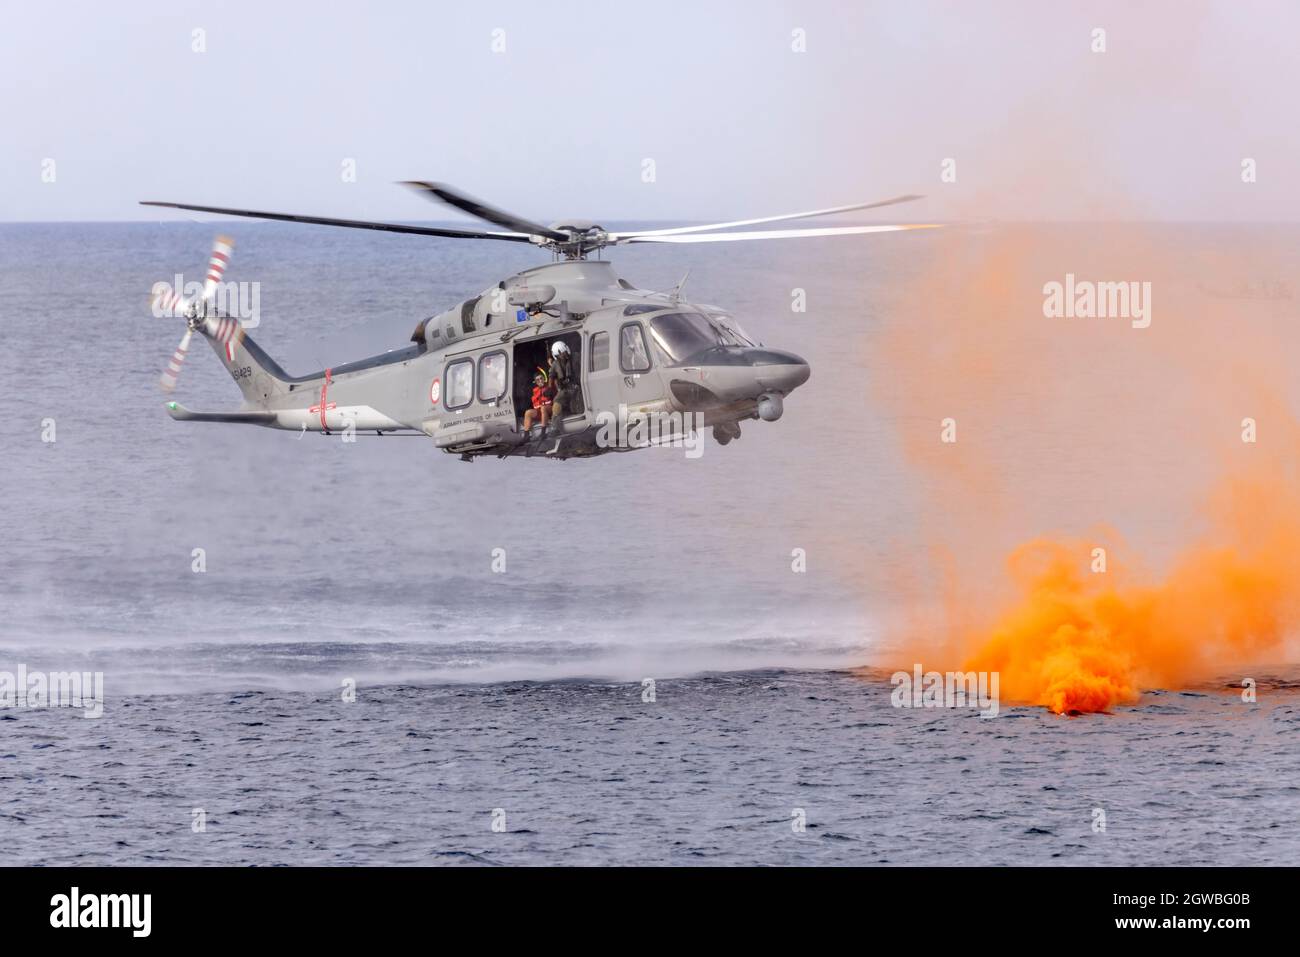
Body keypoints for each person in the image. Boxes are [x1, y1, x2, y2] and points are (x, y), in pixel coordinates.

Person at [547, 340, 577, 422]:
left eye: (564, 352)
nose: (565, 354)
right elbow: (551, 376)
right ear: (558, 354)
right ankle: (554, 425)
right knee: (557, 401)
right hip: (565, 389)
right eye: (562, 352)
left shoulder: (575, 357)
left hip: (577, 386)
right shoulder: (555, 364)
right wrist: (549, 388)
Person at [521, 368, 554, 435]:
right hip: (540, 412)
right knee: (528, 412)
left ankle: (543, 432)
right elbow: (535, 405)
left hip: (550, 410)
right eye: (538, 380)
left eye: (541, 378)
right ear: (536, 382)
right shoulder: (534, 391)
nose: (540, 381)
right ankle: (526, 435)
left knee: (543, 408)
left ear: (544, 379)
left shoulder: (549, 387)